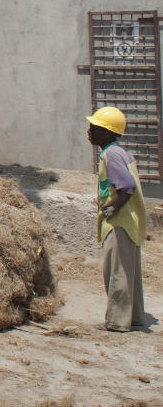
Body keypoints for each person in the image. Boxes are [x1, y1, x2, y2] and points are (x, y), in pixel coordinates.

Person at [87, 105, 147, 332]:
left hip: (120, 221)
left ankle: (117, 321)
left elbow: (127, 187)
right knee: (129, 272)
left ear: (109, 133)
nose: (90, 131)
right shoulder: (120, 152)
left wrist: (113, 208)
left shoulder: (110, 155)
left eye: (96, 128)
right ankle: (135, 317)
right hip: (130, 221)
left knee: (117, 273)